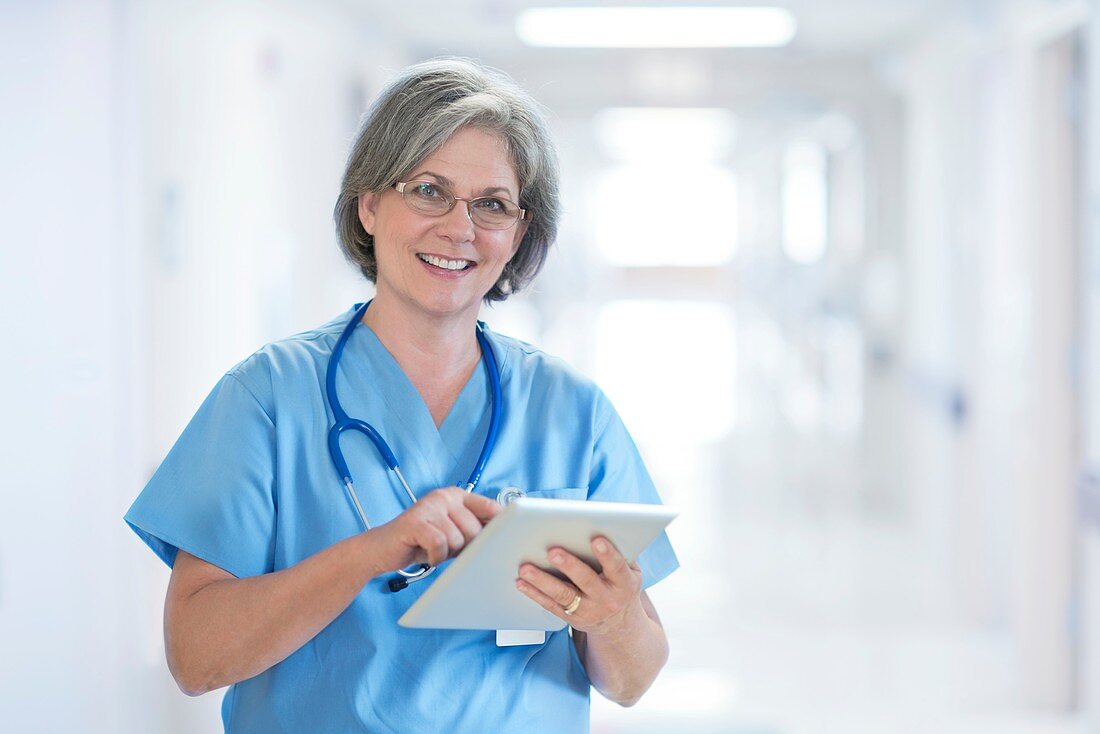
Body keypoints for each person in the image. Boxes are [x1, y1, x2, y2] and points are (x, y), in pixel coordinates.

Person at [124, 57, 678, 733]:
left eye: (493, 204)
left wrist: (614, 618)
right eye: (427, 190)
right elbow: (196, 659)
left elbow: (632, 679)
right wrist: (374, 550)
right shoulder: (267, 397)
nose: (459, 227)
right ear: (369, 204)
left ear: (519, 234)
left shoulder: (573, 412)